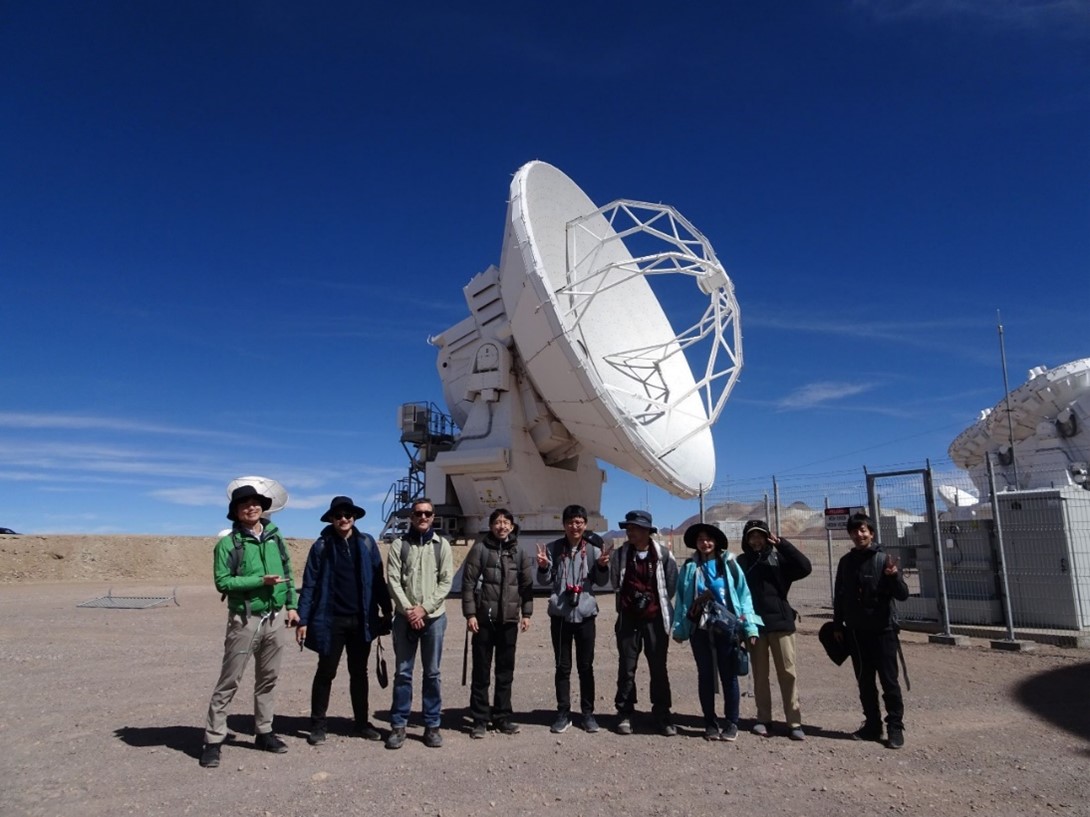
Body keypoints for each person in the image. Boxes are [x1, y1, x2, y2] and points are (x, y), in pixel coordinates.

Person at [200, 484, 299, 768]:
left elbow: (288, 573)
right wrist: (259, 582)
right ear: (235, 511)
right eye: (245, 504)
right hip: (245, 619)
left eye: (256, 503)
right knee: (229, 680)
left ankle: (264, 732)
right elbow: (223, 582)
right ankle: (213, 739)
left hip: (275, 617)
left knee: (268, 679)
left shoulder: (275, 538)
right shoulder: (228, 544)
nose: (251, 508)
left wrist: (291, 606)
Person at [295, 496, 393, 746]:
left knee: (359, 673)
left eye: (348, 515)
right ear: (331, 519)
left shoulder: (367, 543)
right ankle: (318, 725)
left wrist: (387, 610)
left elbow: (378, 580)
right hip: (331, 621)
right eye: (338, 515)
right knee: (326, 672)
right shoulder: (321, 546)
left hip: (361, 620)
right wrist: (302, 619)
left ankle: (361, 723)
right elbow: (309, 585)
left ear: (355, 517)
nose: (344, 519)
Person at [672, 523, 761, 741]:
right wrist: (680, 629)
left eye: (709, 539)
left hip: (727, 628)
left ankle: (732, 723)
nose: (705, 543)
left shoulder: (729, 564)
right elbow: (682, 600)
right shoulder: (690, 567)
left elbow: (744, 596)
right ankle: (709, 723)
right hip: (699, 629)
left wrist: (749, 627)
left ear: (716, 542)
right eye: (701, 539)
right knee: (705, 676)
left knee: (729, 676)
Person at [833, 512, 910, 749]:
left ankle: (895, 728)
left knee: (889, 682)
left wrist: (894, 577)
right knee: (865, 681)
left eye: (863, 530)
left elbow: (903, 594)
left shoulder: (884, 560)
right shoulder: (846, 562)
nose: (859, 535)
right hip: (856, 631)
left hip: (883, 631)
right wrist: (838, 624)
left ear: (872, 533)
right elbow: (840, 595)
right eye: (855, 531)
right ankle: (872, 725)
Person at [385, 497, 454, 749]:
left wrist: (424, 609)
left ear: (433, 517)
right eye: (418, 513)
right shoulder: (399, 546)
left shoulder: (442, 545)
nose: (422, 517)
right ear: (411, 517)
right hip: (405, 619)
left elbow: (446, 581)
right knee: (403, 673)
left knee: (432, 673)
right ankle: (399, 724)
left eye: (427, 513)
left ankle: (432, 725)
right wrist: (409, 610)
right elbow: (393, 580)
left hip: (434, 618)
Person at [536, 504, 611, 734]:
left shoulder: (593, 550)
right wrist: (542, 568)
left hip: (586, 614)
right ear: (564, 525)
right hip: (560, 616)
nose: (574, 526)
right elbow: (545, 581)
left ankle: (588, 714)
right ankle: (563, 713)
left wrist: (600, 566)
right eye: (570, 522)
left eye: (579, 522)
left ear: (585, 525)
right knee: (562, 667)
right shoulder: (553, 549)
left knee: (586, 666)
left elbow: (600, 581)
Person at [737, 519, 812, 740]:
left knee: (788, 673)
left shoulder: (779, 559)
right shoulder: (742, 562)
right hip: (755, 626)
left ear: (767, 536)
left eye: (760, 535)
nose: (756, 540)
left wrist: (782, 544)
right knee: (760, 674)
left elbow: (805, 567)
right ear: (746, 539)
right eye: (752, 536)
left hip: (781, 623)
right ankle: (763, 719)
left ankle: (794, 722)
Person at [461, 508, 534, 738]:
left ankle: (502, 717)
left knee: (505, 672)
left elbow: (526, 584)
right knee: (481, 672)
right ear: (491, 526)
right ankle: (480, 719)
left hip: (509, 620)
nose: (502, 526)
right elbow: (468, 584)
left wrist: (527, 613)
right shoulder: (480, 549)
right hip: (485, 620)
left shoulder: (519, 552)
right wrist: (470, 614)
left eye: (506, 522)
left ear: (512, 527)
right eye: (497, 522)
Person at [609, 510, 678, 736]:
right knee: (627, 667)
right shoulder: (620, 555)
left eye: (635, 528)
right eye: (628, 528)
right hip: (628, 620)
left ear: (648, 531)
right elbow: (614, 582)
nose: (630, 532)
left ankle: (662, 714)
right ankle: (625, 713)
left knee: (658, 668)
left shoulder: (664, 555)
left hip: (655, 619)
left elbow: (670, 586)